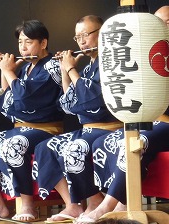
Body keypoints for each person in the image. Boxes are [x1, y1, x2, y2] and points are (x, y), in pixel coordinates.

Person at [0, 19, 65, 222]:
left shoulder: (54, 65)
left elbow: (26, 97)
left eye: (28, 42)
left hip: (45, 128)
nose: (23, 47)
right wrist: (6, 71)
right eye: (20, 43)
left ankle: (27, 203)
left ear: (43, 43)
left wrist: (8, 71)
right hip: (21, 128)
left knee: (11, 146)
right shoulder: (25, 69)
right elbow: (7, 100)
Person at [78, 6, 169, 223]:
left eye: (167, 22)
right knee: (107, 140)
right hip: (153, 121)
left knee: (138, 141)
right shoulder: (148, 53)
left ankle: (106, 206)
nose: (163, 27)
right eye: (158, 23)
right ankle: (123, 202)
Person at [32, 15, 123, 223]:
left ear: (103, 32)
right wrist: (65, 71)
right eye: (77, 37)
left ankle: (93, 201)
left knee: (74, 148)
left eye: (85, 35)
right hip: (88, 129)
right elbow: (69, 104)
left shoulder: (112, 62)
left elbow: (92, 98)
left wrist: (72, 69)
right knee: (45, 148)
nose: (81, 41)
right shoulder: (88, 67)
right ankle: (72, 204)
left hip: (109, 128)